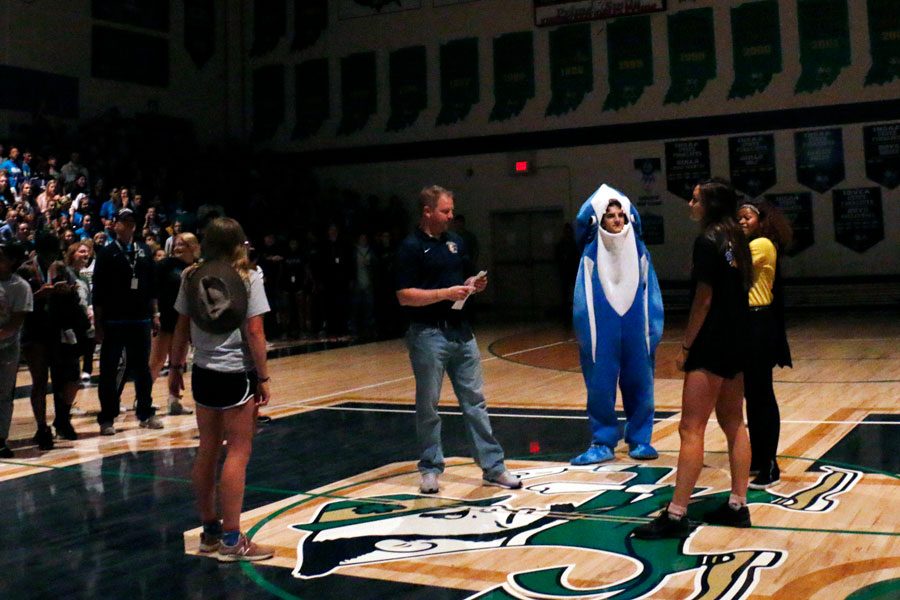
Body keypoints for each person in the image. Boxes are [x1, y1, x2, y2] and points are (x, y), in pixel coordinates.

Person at [634, 178, 753, 539]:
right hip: (737, 339)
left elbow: (703, 299)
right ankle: (738, 504)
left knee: (691, 428)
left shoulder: (707, 241)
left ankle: (675, 513)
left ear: (710, 205)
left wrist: (686, 346)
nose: (689, 202)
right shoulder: (737, 239)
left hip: (712, 342)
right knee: (735, 424)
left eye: (696, 198)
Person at [395, 185, 521, 494]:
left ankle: (493, 467)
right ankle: (430, 467)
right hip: (428, 334)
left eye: (451, 210)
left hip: (462, 332)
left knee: (475, 402)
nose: (451, 216)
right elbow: (404, 296)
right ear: (427, 212)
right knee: (429, 405)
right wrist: (444, 294)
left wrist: (471, 284)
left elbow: (461, 279)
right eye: (445, 211)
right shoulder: (410, 247)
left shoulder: (456, 242)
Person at [168, 217, 275, 562]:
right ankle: (232, 538)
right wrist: (263, 376)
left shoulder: (190, 275)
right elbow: (255, 330)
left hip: (203, 371)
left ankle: (210, 532)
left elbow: (180, 326)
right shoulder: (249, 276)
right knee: (238, 452)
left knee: (208, 449)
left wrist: (175, 369)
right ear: (237, 244)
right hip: (235, 372)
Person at [570, 187, 664, 465]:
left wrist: (653, 331)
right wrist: (587, 336)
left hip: (636, 327)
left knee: (641, 382)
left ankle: (640, 439)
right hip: (602, 330)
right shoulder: (589, 254)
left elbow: (653, 293)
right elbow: (581, 299)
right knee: (600, 386)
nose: (617, 220)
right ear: (599, 220)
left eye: (621, 214)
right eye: (609, 215)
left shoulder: (640, 252)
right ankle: (602, 441)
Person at [737, 200, 793, 489]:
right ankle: (759, 457)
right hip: (746, 324)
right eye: (738, 218)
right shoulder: (749, 243)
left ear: (760, 220)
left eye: (746, 217)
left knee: (761, 395)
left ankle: (770, 463)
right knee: (753, 396)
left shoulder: (761, 244)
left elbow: (728, 263)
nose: (742, 222)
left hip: (758, 323)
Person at [92, 207, 162, 435]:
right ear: (115, 224)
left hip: (140, 318)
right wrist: (99, 324)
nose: (128, 225)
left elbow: (152, 284)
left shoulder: (143, 250)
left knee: (142, 368)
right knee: (110, 368)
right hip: (114, 320)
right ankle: (107, 417)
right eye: (124, 221)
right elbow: (99, 291)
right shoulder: (106, 252)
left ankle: (145, 412)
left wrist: (155, 313)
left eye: (132, 221)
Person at [150, 232, 200, 415]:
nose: (178, 248)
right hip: (165, 317)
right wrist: (155, 313)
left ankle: (174, 400)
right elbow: (153, 290)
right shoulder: (165, 265)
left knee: (178, 362)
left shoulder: (197, 267)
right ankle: (143, 398)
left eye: (182, 244)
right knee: (157, 360)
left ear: (192, 247)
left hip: (185, 319)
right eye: (176, 244)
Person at [0, 242, 33, 457]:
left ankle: (1, 438)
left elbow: (15, 322)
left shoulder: (20, 286)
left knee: (3, 395)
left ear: (11, 261)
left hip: (7, 349)